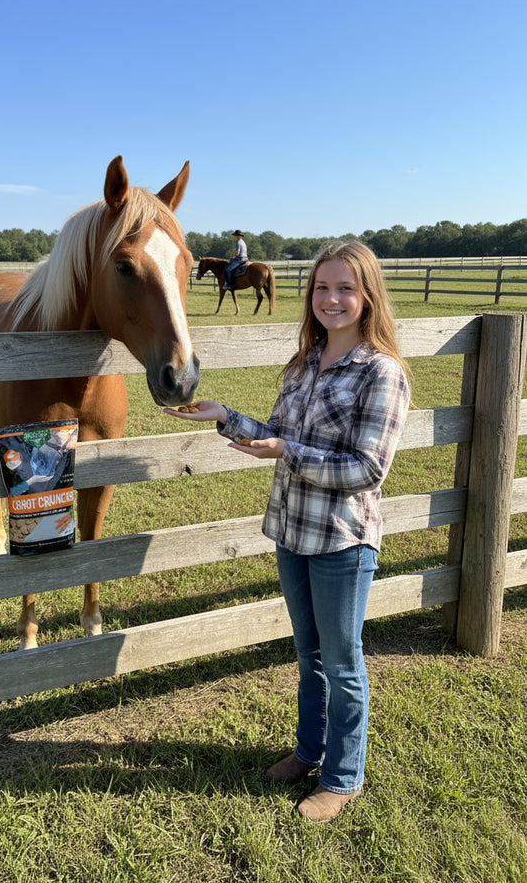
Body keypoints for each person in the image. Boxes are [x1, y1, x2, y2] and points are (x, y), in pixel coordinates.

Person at [164, 239, 411, 823]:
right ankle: (308, 749)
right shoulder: (305, 362)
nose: (332, 298)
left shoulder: (382, 373)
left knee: (343, 661)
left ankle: (343, 777)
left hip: (342, 540)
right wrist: (226, 417)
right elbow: (276, 432)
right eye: (322, 287)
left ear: (367, 295)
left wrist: (286, 450)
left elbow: (366, 469)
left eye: (345, 288)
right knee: (310, 655)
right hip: (291, 530)